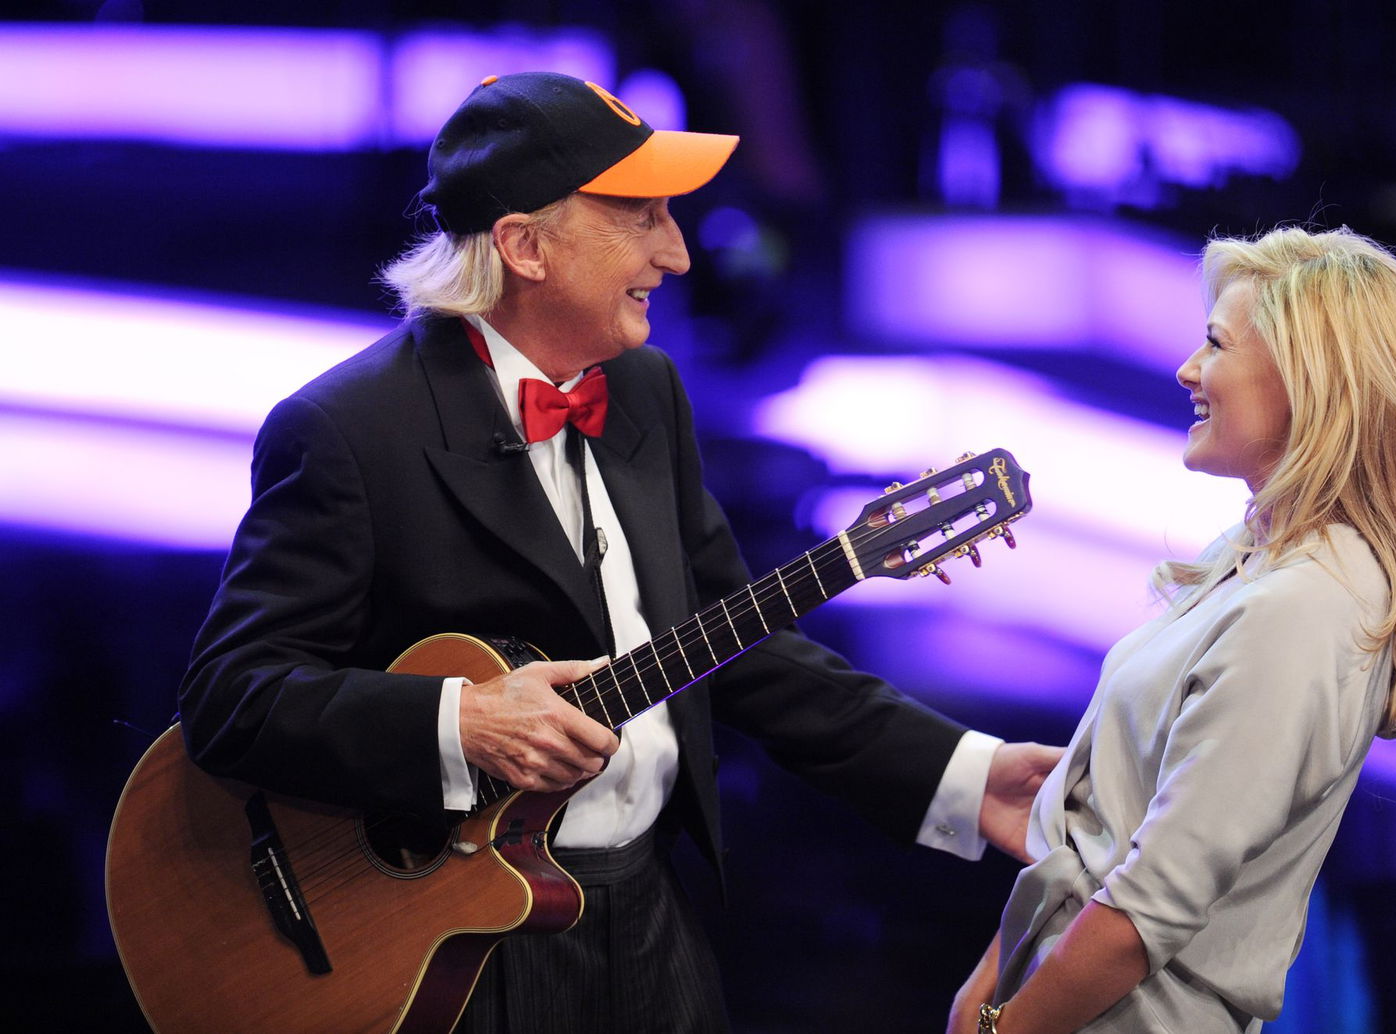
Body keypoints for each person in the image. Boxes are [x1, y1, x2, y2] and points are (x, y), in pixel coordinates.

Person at [176, 71, 1060, 1032]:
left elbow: (736, 648)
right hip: (454, 954)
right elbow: (233, 697)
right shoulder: (348, 430)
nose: (677, 253)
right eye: (639, 216)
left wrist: (970, 777)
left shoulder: (644, 391)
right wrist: (461, 721)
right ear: (524, 246)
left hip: (645, 912)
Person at [947, 225, 1396, 1034]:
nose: (1187, 370)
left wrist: (1003, 1027)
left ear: (1308, 381)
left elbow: (1146, 910)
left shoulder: (1306, 606)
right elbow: (1095, 840)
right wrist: (985, 993)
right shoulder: (1253, 561)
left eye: (1215, 344)